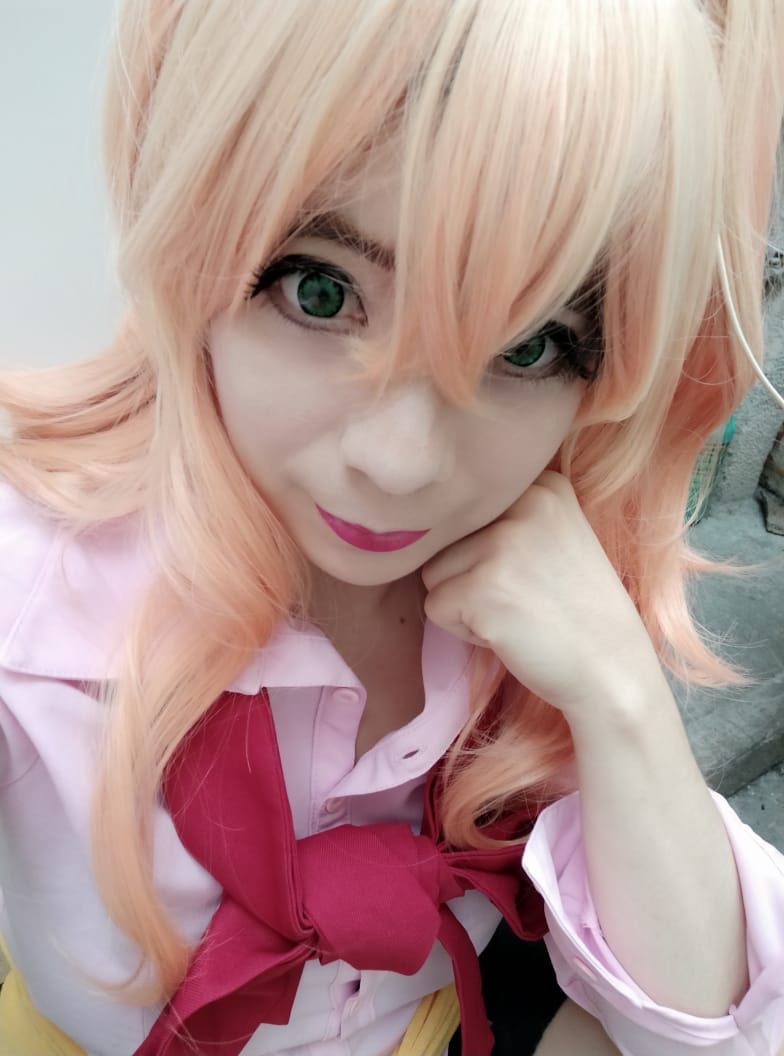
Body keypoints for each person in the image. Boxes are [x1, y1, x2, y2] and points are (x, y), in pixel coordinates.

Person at [0, 1, 783, 1053]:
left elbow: (713, 1030)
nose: (400, 463)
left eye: (529, 346)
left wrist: (621, 699)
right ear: (195, 235)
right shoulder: (31, 594)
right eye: (320, 292)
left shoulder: (546, 572)